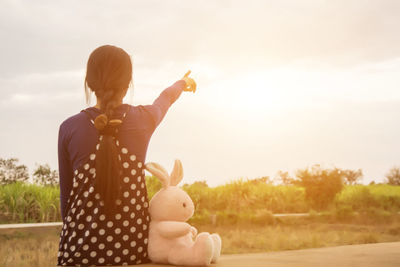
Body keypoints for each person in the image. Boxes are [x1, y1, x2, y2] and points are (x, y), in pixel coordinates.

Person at [57, 44, 196, 266]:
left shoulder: (69, 128)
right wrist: (183, 83)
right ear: (128, 82)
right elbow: (165, 99)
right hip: (132, 251)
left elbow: (66, 201)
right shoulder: (144, 118)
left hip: (78, 252)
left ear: (89, 82)